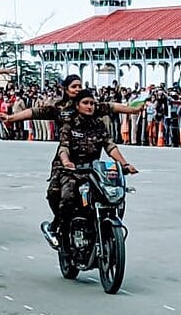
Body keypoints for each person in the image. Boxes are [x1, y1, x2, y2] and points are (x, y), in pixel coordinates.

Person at [5, 74, 142, 243]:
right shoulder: (61, 111)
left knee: (110, 193)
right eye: (74, 86)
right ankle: (59, 227)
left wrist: (125, 163)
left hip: (91, 166)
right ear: (65, 89)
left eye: (79, 86)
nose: (78, 90)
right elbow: (35, 113)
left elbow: (112, 120)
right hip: (67, 162)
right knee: (60, 194)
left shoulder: (95, 115)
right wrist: (11, 118)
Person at [54, 89, 137, 242]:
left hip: (93, 170)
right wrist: (66, 162)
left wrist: (125, 164)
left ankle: (104, 231)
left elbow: (110, 146)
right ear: (77, 106)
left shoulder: (98, 125)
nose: (90, 106)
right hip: (73, 170)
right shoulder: (69, 125)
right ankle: (64, 238)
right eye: (85, 103)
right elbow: (63, 147)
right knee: (67, 196)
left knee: (112, 196)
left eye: (92, 103)